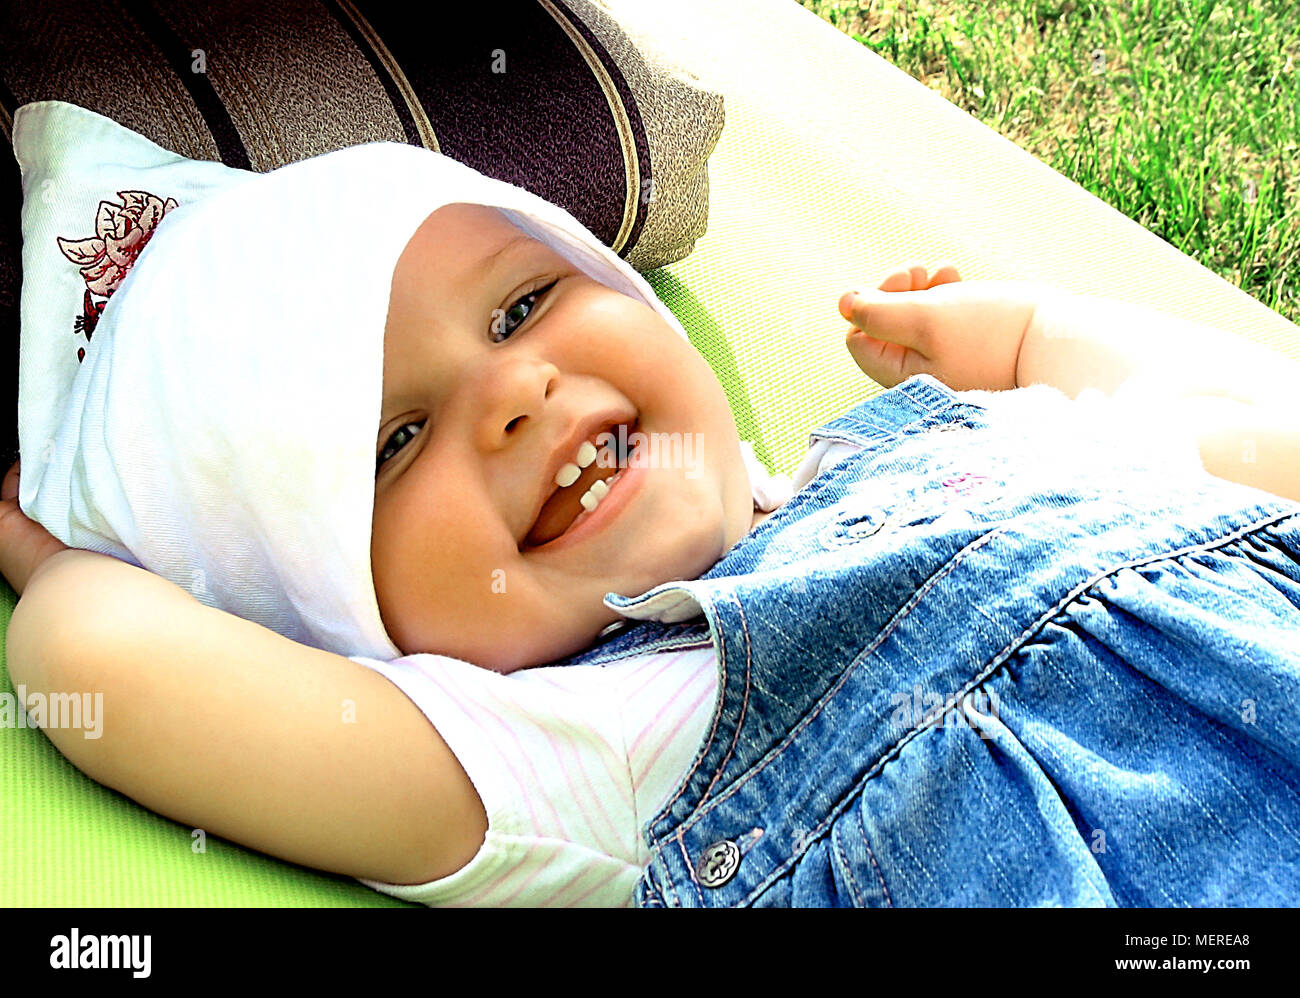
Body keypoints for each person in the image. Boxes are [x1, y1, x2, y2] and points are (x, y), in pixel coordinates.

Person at [4, 144, 1300, 907]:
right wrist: (61, 563)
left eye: (520, 307)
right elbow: (104, 667)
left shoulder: (965, 441)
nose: (515, 396)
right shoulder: (583, 745)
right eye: (393, 443)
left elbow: (1241, 433)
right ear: (334, 617)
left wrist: (1027, 336)